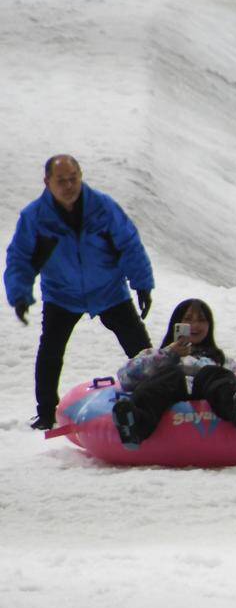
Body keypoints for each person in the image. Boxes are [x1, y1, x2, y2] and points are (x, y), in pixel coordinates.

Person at [5, 155, 155, 430]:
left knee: (141, 351)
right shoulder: (35, 217)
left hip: (109, 290)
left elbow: (129, 244)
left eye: (73, 178)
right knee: (50, 351)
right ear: (47, 182)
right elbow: (20, 258)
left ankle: (157, 400)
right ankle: (46, 413)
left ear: (81, 175)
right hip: (62, 295)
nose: (68, 185)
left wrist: (142, 283)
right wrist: (19, 293)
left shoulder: (103, 207)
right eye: (61, 180)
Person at [111, 299, 236, 449]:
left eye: (201, 320)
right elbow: (126, 376)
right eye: (188, 319)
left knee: (212, 373)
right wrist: (169, 353)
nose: (195, 326)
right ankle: (135, 427)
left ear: (209, 326)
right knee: (171, 373)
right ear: (176, 324)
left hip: (207, 395)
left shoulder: (218, 359)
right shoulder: (157, 354)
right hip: (168, 395)